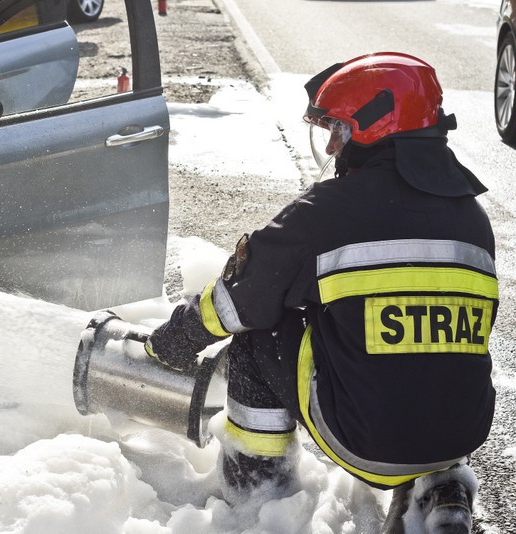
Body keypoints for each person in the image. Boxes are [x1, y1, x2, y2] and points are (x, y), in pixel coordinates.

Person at [144, 52, 497, 533]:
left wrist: (170, 343)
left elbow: (238, 300)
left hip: (367, 444)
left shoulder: (327, 212)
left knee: (259, 332)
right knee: (436, 357)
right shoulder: (473, 219)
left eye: (339, 129)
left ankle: (258, 495)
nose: (332, 144)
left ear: (376, 126)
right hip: (460, 432)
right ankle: (443, 488)